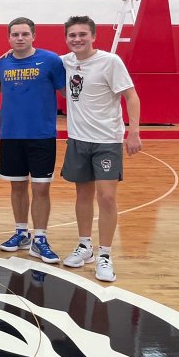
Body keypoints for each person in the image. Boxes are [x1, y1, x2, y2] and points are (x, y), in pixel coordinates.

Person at [60, 15, 142, 283]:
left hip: (107, 140)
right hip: (78, 139)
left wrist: (133, 132)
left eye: (82, 34)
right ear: (67, 38)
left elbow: (131, 96)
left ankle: (105, 254)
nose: (77, 39)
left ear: (93, 36)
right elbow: (33, 58)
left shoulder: (110, 61)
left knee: (106, 197)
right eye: (72, 35)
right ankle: (85, 246)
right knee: (82, 195)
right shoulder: (65, 62)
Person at [0, 17, 66, 262]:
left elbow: (68, 90)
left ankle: (40, 238)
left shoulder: (51, 61)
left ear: (33, 36)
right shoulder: (2, 63)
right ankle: (21, 232)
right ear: (8, 38)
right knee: (17, 186)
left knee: (41, 188)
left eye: (25, 34)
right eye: (15, 34)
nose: (20, 38)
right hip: (11, 134)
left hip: (42, 135)